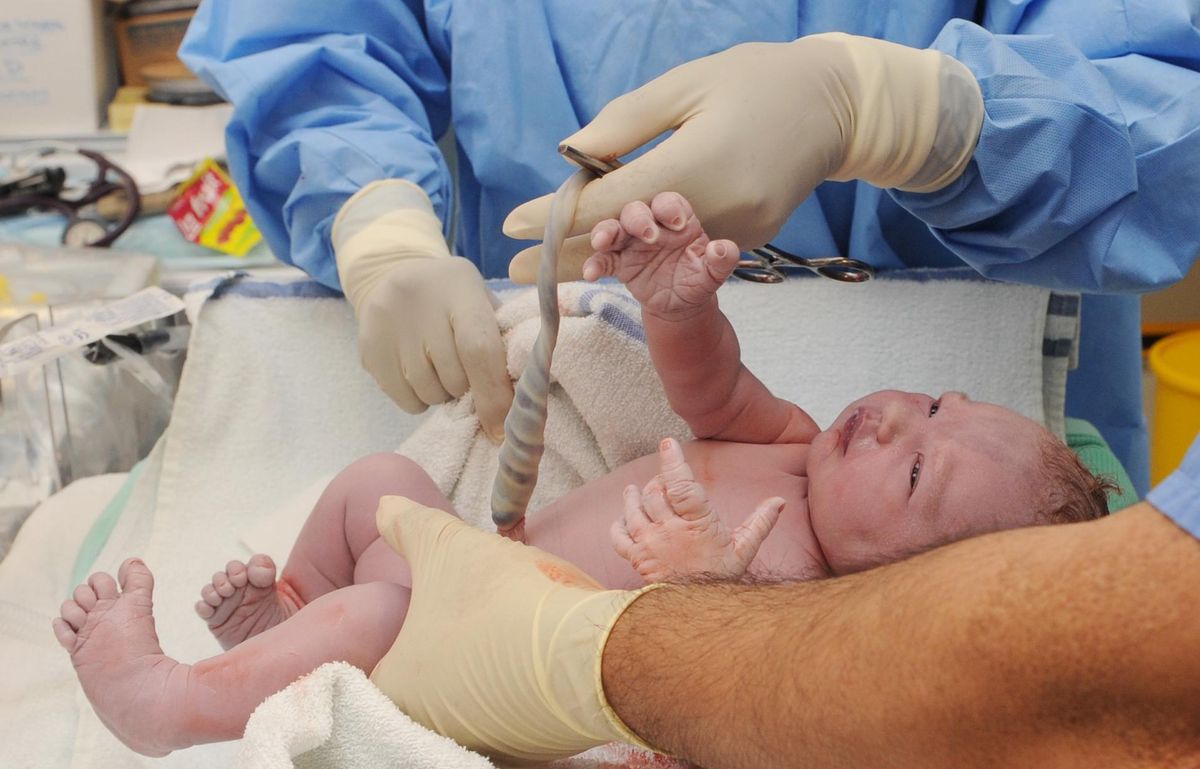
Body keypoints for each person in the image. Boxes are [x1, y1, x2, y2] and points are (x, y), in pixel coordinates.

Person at [49, 192, 1109, 759]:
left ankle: (176, 705)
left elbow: (723, 682)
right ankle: (288, 627)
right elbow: (712, 393)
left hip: (483, 666)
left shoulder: (813, 597)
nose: (894, 419)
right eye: (938, 403)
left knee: (378, 611)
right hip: (474, 567)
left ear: (909, 587)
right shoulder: (794, 445)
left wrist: (703, 582)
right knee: (379, 482)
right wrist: (679, 308)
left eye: (916, 468)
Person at [178, 2, 1200, 492]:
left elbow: (1160, 94)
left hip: (980, 397)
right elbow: (316, 38)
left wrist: (911, 115)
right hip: (534, 378)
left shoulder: (871, 466)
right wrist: (375, 219)